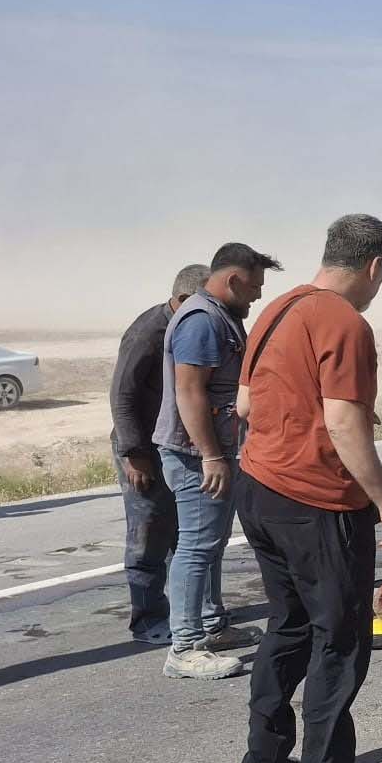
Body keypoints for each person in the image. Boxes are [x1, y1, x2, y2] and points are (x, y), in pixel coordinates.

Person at [231, 214, 382, 763]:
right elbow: (341, 422)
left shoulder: (278, 309)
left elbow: (246, 403)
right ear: (376, 265)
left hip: (260, 487)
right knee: (339, 638)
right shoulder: (344, 322)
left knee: (287, 626)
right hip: (317, 501)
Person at [155, 241, 280, 679]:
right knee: (196, 545)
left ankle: (211, 625)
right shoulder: (201, 321)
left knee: (211, 542)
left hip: (214, 451)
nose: (257, 296)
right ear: (233, 280)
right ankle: (184, 647)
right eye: (254, 287)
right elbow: (189, 391)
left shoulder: (218, 316)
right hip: (195, 455)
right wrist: (210, 455)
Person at [108, 263, 208, 644]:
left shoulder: (187, 327)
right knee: (148, 533)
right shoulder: (149, 332)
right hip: (142, 451)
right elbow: (123, 395)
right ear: (182, 299)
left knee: (183, 532)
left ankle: (186, 615)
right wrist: (134, 454)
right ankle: (148, 620)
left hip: (173, 448)